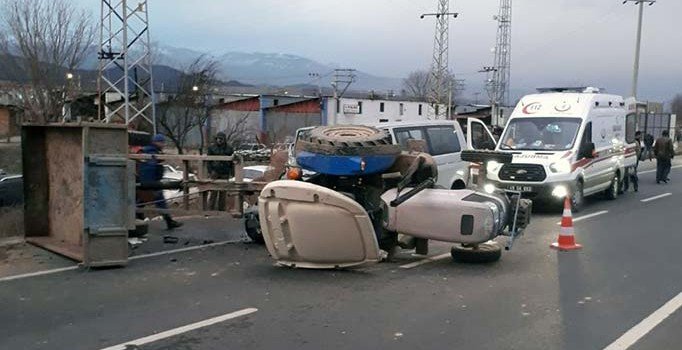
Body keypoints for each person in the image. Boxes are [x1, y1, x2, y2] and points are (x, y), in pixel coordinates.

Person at [137, 134, 183, 230]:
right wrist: (151, 182)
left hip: (147, 181)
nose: (163, 144)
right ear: (156, 142)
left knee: (140, 201)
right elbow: (149, 168)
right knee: (159, 201)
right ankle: (168, 221)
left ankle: (138, 221)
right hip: (151, 182)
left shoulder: (151, 151)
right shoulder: (151, 152)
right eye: (162, 142)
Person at [207, 132, 234, 211]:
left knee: (223, 193)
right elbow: (208, 161)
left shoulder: (229, 148)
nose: (219, 140)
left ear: (224, 139)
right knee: (213, 192)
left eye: (221, 139)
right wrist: (210, 171)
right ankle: (210, 210)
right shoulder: (211, 148)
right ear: (216, 139)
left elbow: (232, 162)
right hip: (215, 171)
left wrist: (232, 173)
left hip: (225, 172)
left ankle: (221, 210)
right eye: (218, 138)